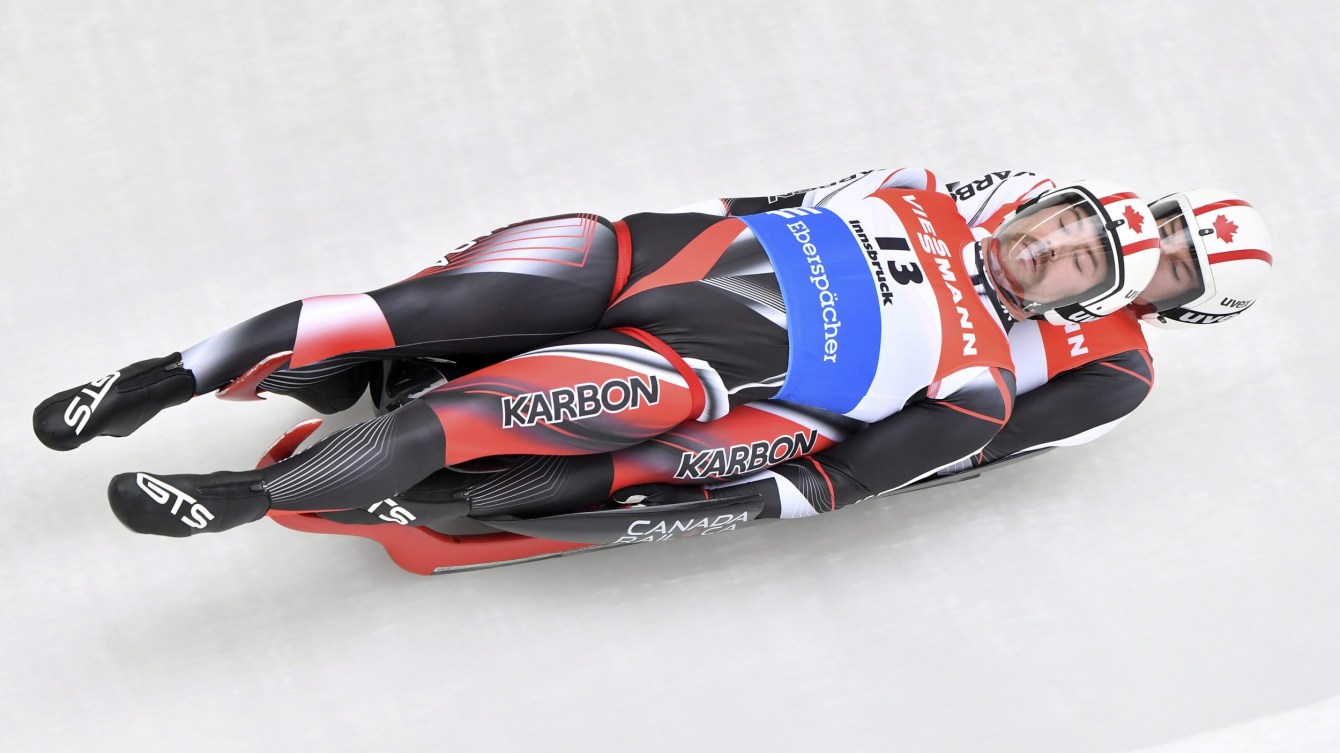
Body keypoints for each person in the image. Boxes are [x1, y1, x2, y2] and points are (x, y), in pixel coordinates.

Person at [32, 169, 1161, 538]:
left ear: (1077, 302)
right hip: (634, 261)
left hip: (687, 378)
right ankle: (152, 382)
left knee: (453, 421)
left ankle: (239, 496)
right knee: (388, 309)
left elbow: (851, 475)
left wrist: (708, 492)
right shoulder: (912, 187)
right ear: (1028, 202)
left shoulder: (972, 377)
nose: (1048, 248)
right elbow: (757, 198)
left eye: (1074, 262)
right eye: (1057, 221)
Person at [308, 179, 1271, 530]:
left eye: (1179, 273)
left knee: (683, 444)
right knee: (659, 295)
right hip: (804, 309)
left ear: (1187, 308)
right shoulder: (1057, 209)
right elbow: (871, 212)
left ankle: (487, 491)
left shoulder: (1121, 370)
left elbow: (986, 439)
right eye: (1174, 233)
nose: (1158, 261)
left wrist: (840, 473)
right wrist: (737, 218)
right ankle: (437, 348)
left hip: (855, 409)